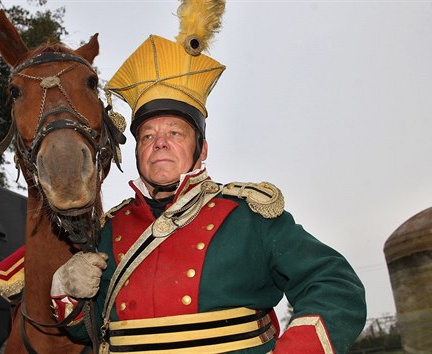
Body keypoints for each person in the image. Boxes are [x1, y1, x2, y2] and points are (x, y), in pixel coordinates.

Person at [50, 1, 367, 353]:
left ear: (201, 150)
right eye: (148, 136)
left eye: (175, 133)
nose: (160, 144)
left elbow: (335, 286)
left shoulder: (249, 218)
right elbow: (88, 331)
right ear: (137, 152)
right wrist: (67, 291)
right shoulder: (110, 229)